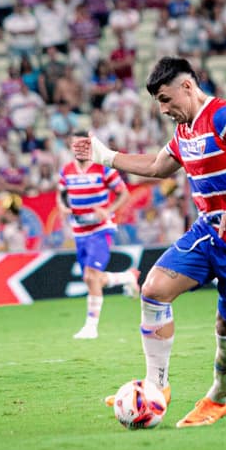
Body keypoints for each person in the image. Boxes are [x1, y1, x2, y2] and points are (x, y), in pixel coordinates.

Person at [72, 57, 226, 427]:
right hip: (208, 234)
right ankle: (157, 388)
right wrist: (105, 156)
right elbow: (158, 167)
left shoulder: (224, 116)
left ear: (187, 87)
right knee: (153, 290)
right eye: (158, 102)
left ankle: (219, 398)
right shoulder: (185, 130)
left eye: (166, 99)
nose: (163, 109)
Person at [57, 136, 141, 340]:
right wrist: (62, 207)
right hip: (80, 231)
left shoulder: (102, 168)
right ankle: (127, 277)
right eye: (76, 144)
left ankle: (91, 327)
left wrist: (108, 210)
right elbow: (60, 194)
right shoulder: (66, 170)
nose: (80, 147)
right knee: (90, 278)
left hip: (101, 229)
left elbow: (124, 194)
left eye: (84, 143)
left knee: (92, 276)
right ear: (71, 146)